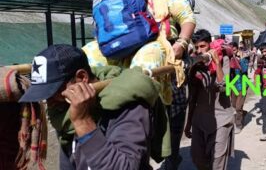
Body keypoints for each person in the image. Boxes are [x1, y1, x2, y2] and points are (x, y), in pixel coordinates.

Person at [82, 0, 196, 169]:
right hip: (121, 46)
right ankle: (92, 107)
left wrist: (180, 43)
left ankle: (138, 117)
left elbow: (187, 18)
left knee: (146, 62)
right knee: (86, 54)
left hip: (156, 44)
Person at [19, 44, 160, 169]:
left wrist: (83, 122)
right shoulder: (64, 114)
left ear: (81, 78)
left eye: (53, 93)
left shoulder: (129, 106)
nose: (49, 103)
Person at [184, 30, 235, 170]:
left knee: (217, 162)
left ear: (210, 45)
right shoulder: (195, 64)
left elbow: (225, 88)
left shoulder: (223, 60)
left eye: (202, 46)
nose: (199, 51)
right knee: (197, 159)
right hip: (199, 119)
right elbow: (192, 97)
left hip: (221, 119)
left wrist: (216, 63)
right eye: (196, 47)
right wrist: (188, 123)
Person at [230, 42, 248, 134]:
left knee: (238, 107)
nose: (232, 52)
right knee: (233, 105)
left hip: (243, 85)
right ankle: (242, 114)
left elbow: (244, 70)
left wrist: (238, 61)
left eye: (234, 50)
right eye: (231, 51)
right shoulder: (228, 60)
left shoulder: (243, 58)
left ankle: (238, 125)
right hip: (233, 86)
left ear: (237, 50)